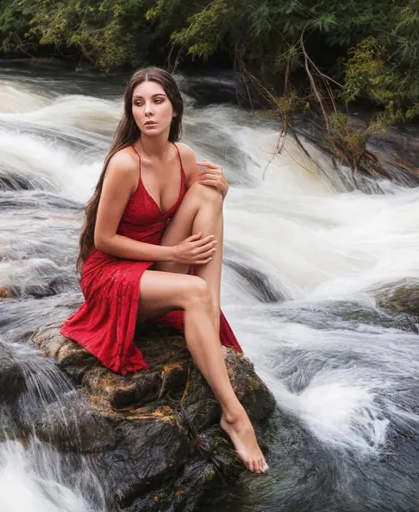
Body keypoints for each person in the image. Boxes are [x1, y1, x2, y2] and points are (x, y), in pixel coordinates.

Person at [61, 67, 269, 473]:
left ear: (174, 108)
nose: (148, 111)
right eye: (139, 104)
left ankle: (207, 315)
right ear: (131, 113)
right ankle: (233, 414)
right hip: (113, 275)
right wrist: (174, 249)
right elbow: (103, 240)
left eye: (157, 101)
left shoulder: (183, 156)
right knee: (192, 292)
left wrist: (223, 193)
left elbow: (201, 211)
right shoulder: (125, 164)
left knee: (208, 192)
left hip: (155, 262)